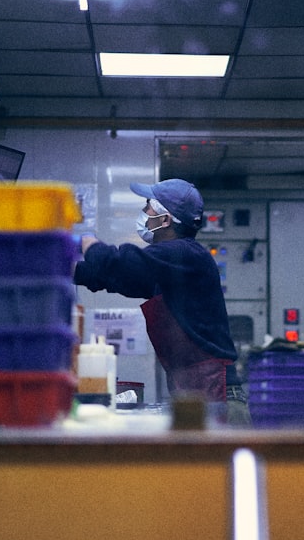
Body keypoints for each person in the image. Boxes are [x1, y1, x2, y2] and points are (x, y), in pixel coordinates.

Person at [73, 178, 251, 426]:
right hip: (197, 395)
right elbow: (118, 277)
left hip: (219, 398)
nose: (144, 213)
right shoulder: (170, 266)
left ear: (165, 220)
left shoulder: (185, 253)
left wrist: (88, 243)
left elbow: (120, 262)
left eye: (148, 206)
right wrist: (64, 268)